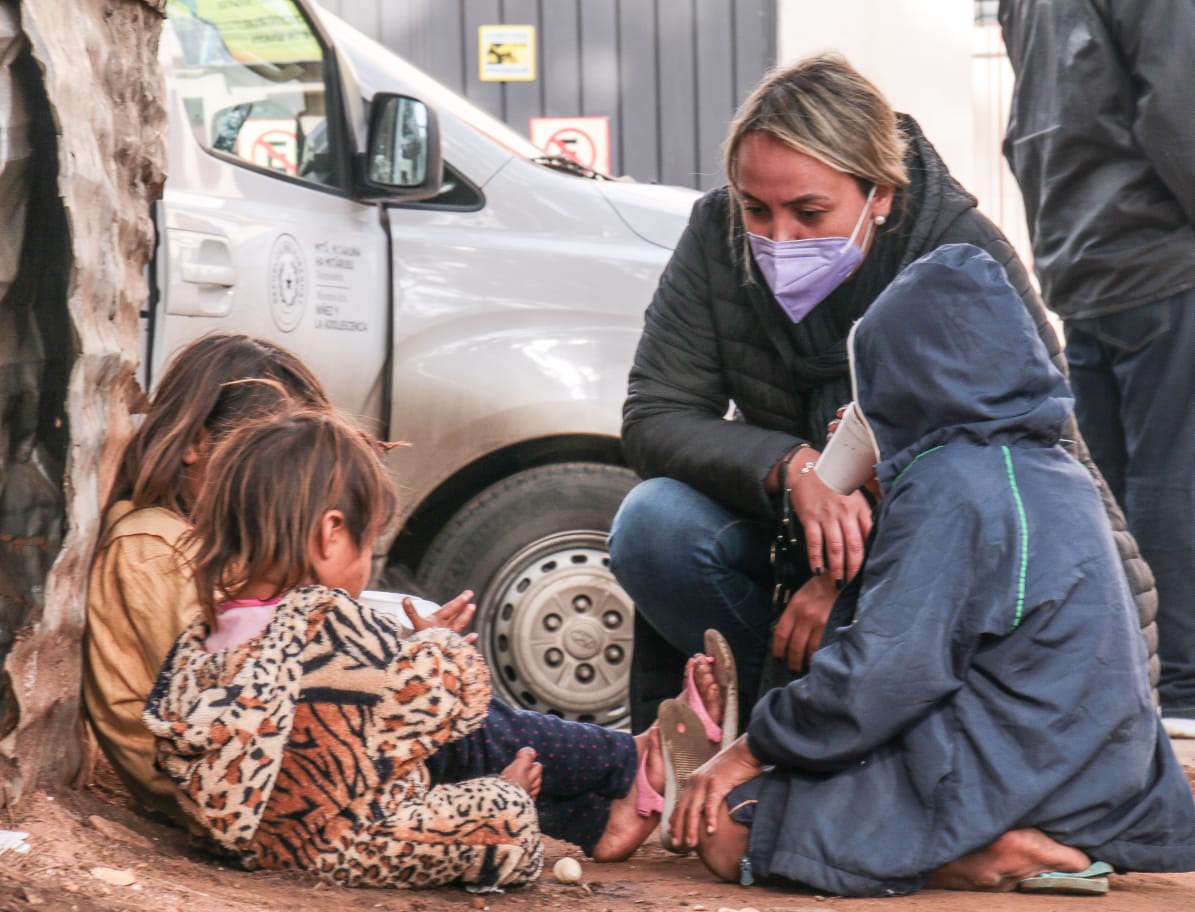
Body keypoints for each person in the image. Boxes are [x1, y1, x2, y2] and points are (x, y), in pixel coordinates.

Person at [607, 52, 1154, 729]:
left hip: (948, 569)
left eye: (809, 212)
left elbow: (1021, 476)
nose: (780, 239)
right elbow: (655, 414)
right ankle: (779, 731)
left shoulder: (961, 261)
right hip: (791, 541)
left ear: (881, 194)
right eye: (756, 210)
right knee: (653, 524)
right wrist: (791, 469)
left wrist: (842, 582)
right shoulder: (715, 236)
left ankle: (839, 743)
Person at [665, 243, 1195, 897]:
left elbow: (882, 676)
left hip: (1018, 776)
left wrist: (750, 749)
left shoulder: (949, 486)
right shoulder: (1051, 468)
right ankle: (1011, 840)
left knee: (725, 828)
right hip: (1098, 778)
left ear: (906, 379)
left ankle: (983, 855)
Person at [82, 331, 721, 861]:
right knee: (463, 729)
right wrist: (403, 665)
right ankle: (627, 760)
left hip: (275, 781)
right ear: (194, 443)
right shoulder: (154, 547)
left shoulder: (200, 549)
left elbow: (262, 679)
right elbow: (239, 701)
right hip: (248, 792)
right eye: (256, 459)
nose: (270, 483)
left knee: (441, 744)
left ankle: (598, 816)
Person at [142, 407, 543, 889]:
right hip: (346, 841)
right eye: (368, 542)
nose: (368, 566)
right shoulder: (324, 620)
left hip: (243, 845)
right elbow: (443, 702)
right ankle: (532, 791)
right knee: (506, 814)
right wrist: (437, 644)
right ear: (331, 534)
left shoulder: (199, 638)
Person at [998, 0, 1195, 734]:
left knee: (1107, 490)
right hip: (1162, 260)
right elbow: (1179, 112)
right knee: (1173, 478)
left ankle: (1123, 682)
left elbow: (1022, 132)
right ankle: (1180, 688)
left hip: (1079, 262)